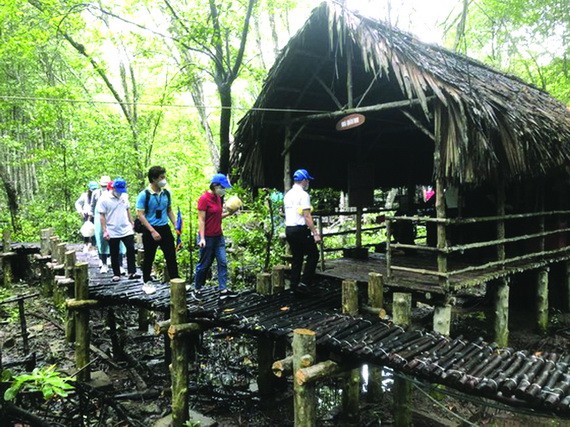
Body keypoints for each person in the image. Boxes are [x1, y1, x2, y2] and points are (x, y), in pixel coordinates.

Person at [193, 173, 238, 299]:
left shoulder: (218, 198)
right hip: (207, 237)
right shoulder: (204, 199)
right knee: (204, 264)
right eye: (222, 187)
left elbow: (217, 216)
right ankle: (197, 288)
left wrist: (229, 213)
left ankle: (223, 290)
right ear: (215, 185)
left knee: (223, 262)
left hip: (218, 236)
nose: (223, 190)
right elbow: (201, 220)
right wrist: (201, 238)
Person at [136, 166, 179, 294]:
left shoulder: (166, 193)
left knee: (171, 255)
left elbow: (169, 210)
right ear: (154, 179)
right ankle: (146, 281)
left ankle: (175, 280)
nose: (164, 180)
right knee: (149, 256)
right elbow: (140, 215)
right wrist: (152, 231)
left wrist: (176, 224)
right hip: (150, 229)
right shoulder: (144, 195)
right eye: (161, 177)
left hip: (164, 227)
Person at [284, 169, 320, 295]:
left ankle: (294, 285)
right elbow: (307, 216)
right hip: (300, 229)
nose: (308, 182)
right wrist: (315, 233)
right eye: (307, 180)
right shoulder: (304, 195)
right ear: (304, 181)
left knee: (297, 257)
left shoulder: (288, 194)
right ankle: (304, 282)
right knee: (314, 254)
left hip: (289, 229)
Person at [98, 178, 139, 282]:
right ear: (113, 188)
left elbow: (127, 209)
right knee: (114, 252)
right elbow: (102, 215)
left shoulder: (124, 196)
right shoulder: (104, 199)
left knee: (130, 249)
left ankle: (132, 272)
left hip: (126, 228)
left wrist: (132, 222)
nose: (120, 193)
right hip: (112, 229)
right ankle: (116, 274)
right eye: (118, 190)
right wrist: (105, 230)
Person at [75, 181, 98, 252]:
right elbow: (78, 203)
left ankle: (94, 246)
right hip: (87, 215)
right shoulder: (84, 196)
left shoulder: (99, 195)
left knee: (95, 231)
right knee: (86, 231)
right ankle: (86, 244)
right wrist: (80, 211)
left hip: (96, 215)